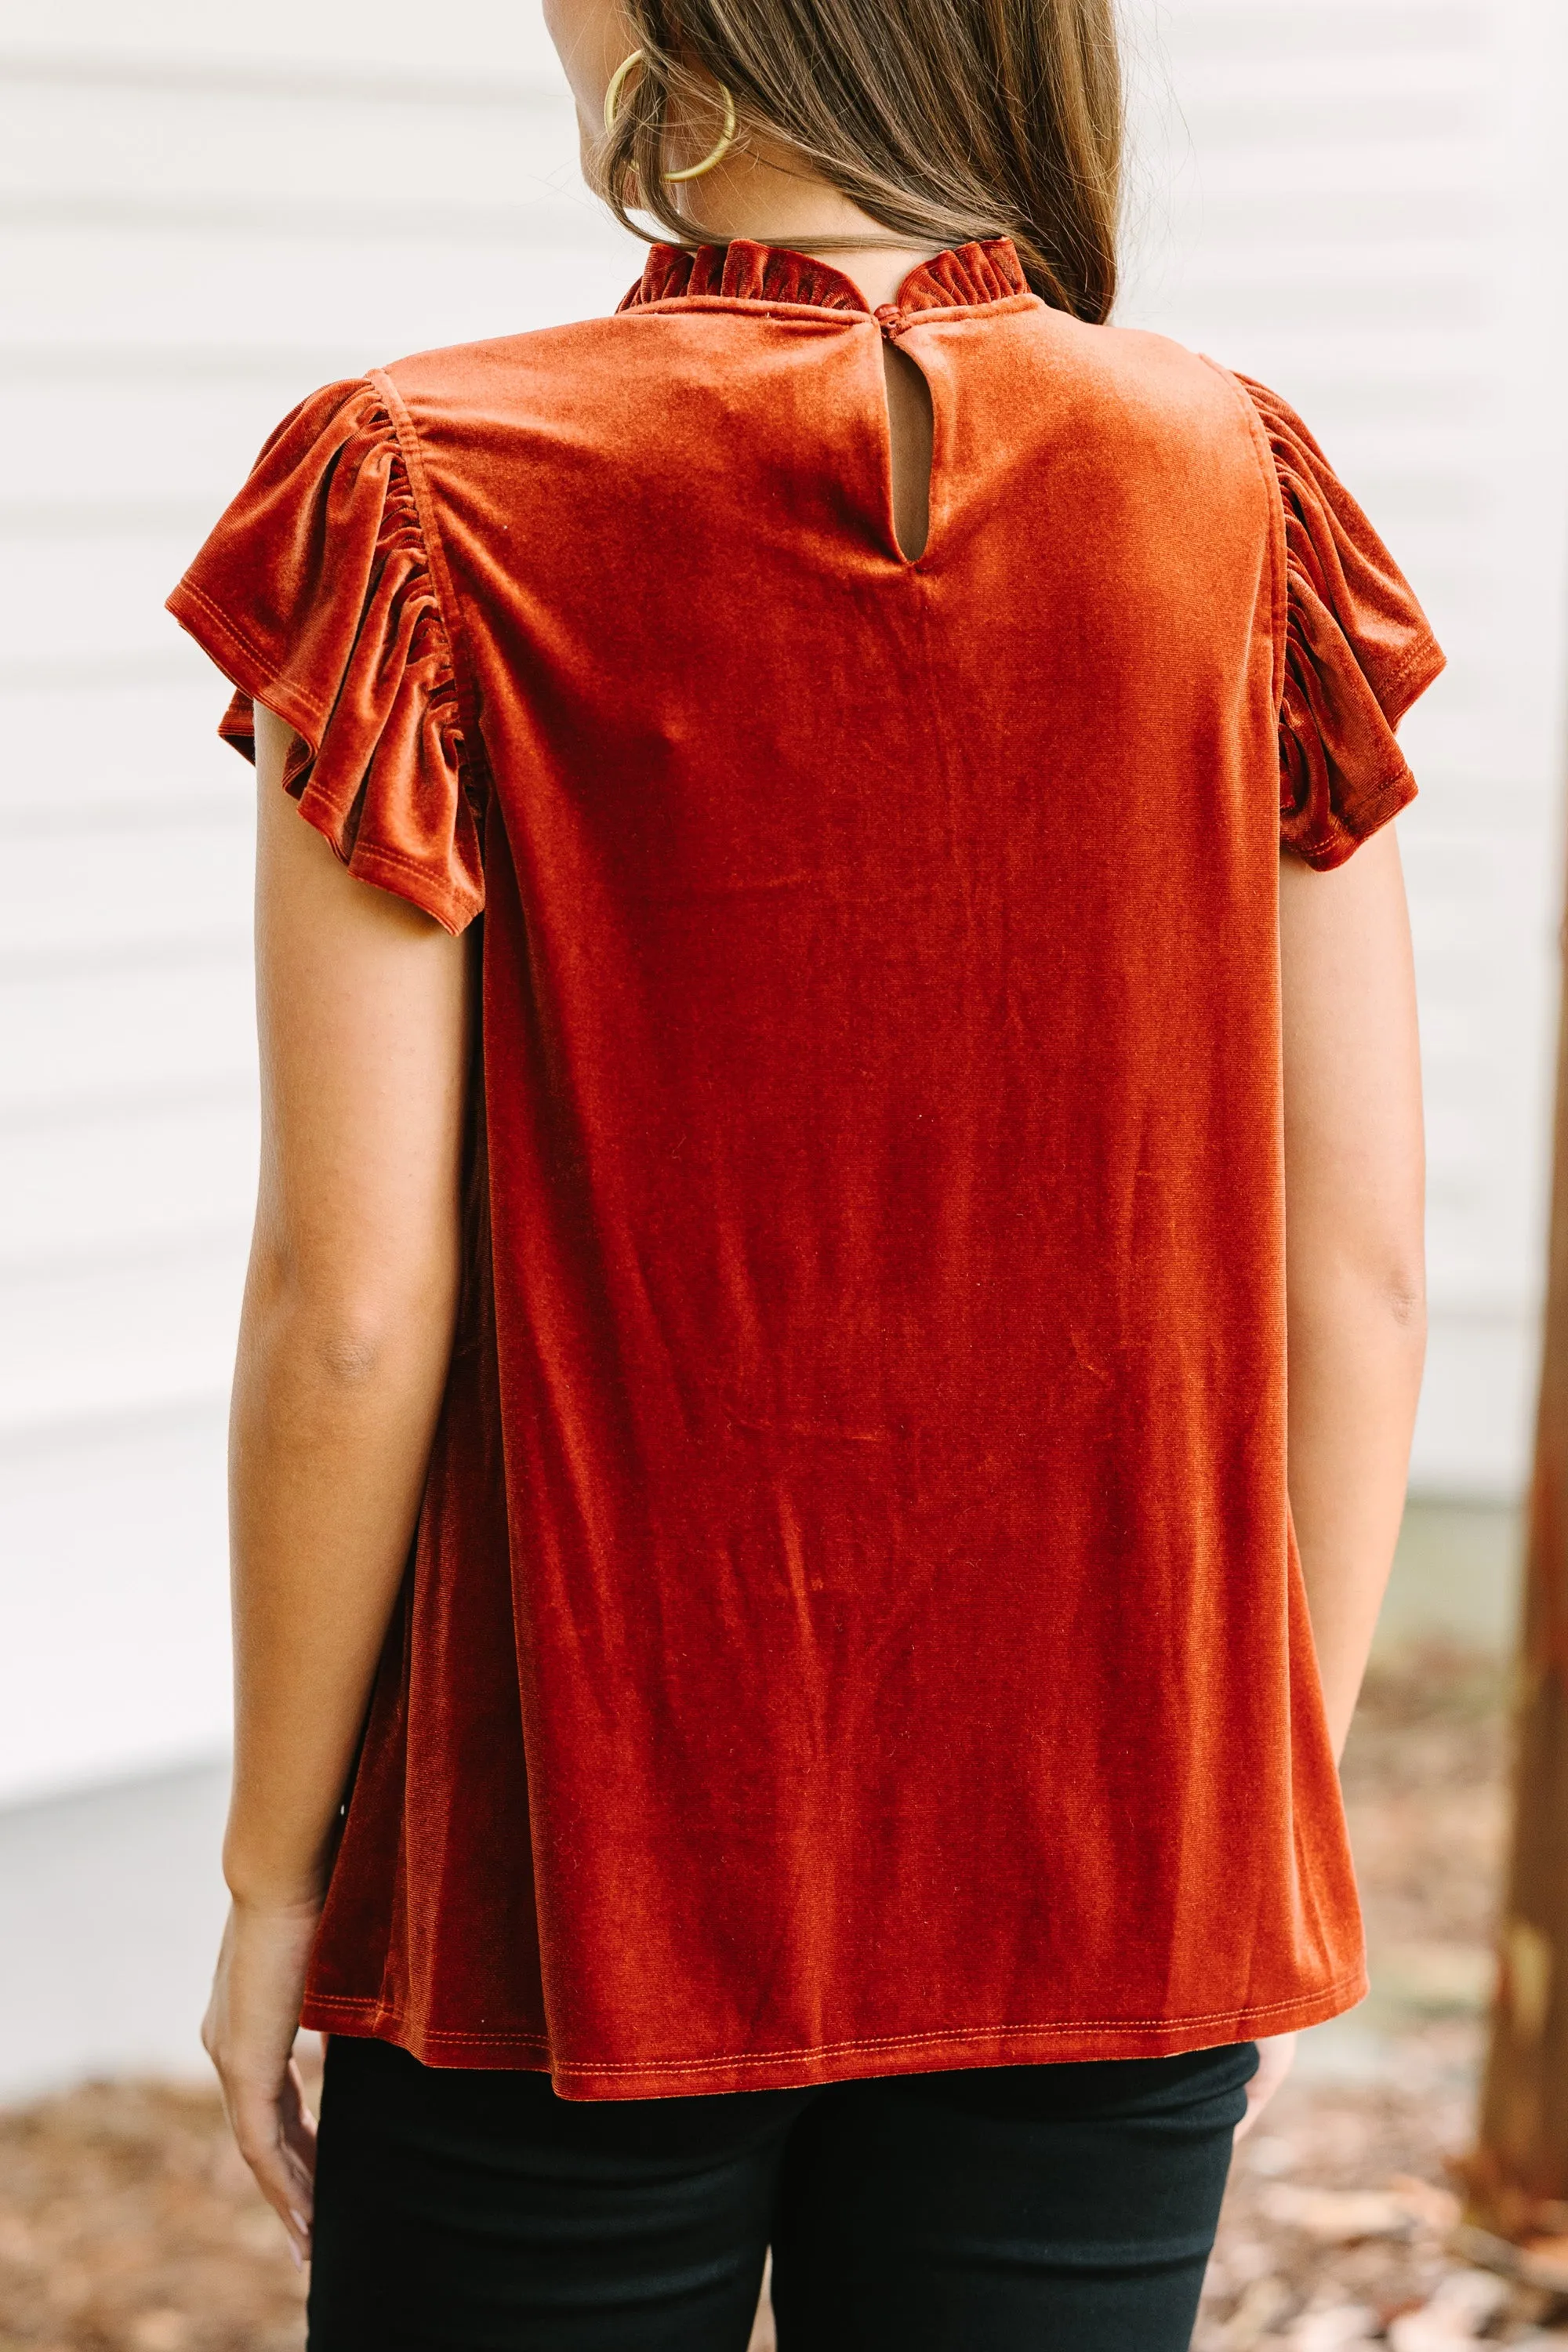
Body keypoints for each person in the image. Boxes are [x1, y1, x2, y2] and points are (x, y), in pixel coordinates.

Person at [169, 0, 1436, 2341]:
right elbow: (1354, 1277)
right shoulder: (1243, 481)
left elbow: (351, 1303)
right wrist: (1247, 1811)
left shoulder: (425, 483)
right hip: (1119, 1848)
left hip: (567, 1872)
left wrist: (270, 1886)